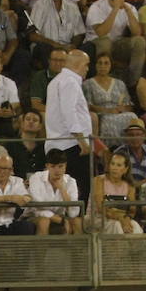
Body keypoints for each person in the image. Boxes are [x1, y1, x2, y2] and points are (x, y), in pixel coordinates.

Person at [46, 49, 94, 195]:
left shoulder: (56, 81)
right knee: (79, 190)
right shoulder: (70, 82)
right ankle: (77, 217)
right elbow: (69, 114)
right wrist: (83, 143)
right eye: (86, 64)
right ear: (78, 64)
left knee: (63, 190)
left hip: (59, 143)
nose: (87, 68)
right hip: (72, 146)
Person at [85, 0, 146, 84]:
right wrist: (115, 9)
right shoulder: (96, 7)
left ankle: (133, 83)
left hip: (117, 43)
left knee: (140, 41)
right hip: (95, 42)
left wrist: (128, 11)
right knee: (105, 41)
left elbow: (137, 33)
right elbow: (101, 32)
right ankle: (104, 82)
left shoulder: (130, 7)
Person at [83, 51, 140, 144]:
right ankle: (110, 150)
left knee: (133, 117)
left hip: (119, 113)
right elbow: (89, 106)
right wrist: (108, 111)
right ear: (95, 65)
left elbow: (129, 105)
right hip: (101, 115)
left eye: (106, 63)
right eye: (100, 63)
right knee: (108, 120)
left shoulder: (119, 83)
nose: (103, 66)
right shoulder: (88, 84)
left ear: (111, 65)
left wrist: (123, 108)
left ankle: (130, 148)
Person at [29, 147, 83, 234]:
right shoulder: (36, 178)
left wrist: (62, 189)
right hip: (35, 215)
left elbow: (74, 212)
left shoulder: (71, 181)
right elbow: (37, 206)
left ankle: (77, 248)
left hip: (60, 216)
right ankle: (42, 247)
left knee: (77, 222)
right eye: (53, 166)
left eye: (60, 166)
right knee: (44, 221)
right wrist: (56, 218)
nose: (57, 170)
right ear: (47, 166)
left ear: (65, 166)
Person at [29, 0, 86, 68]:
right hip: (48, 46)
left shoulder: (72, 7)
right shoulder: (40, 5)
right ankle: (51, 76)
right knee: (44, 48)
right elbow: (32, 35)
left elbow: (79, 33)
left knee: (87, 48)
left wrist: (73, 46)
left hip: (67, 47)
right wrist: (58, 46)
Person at [92, 151, 140, 233]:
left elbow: (132, 210)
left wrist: (126, 220)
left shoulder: (130, 186)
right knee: (116, 225)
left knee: (135, 226)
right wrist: (121, 219)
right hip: (99, 218)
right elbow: (100, 208)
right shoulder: (99, 180)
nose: (114, 168)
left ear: (125, 169)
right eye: (112, 164)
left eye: (119, 165)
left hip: (122, 217)